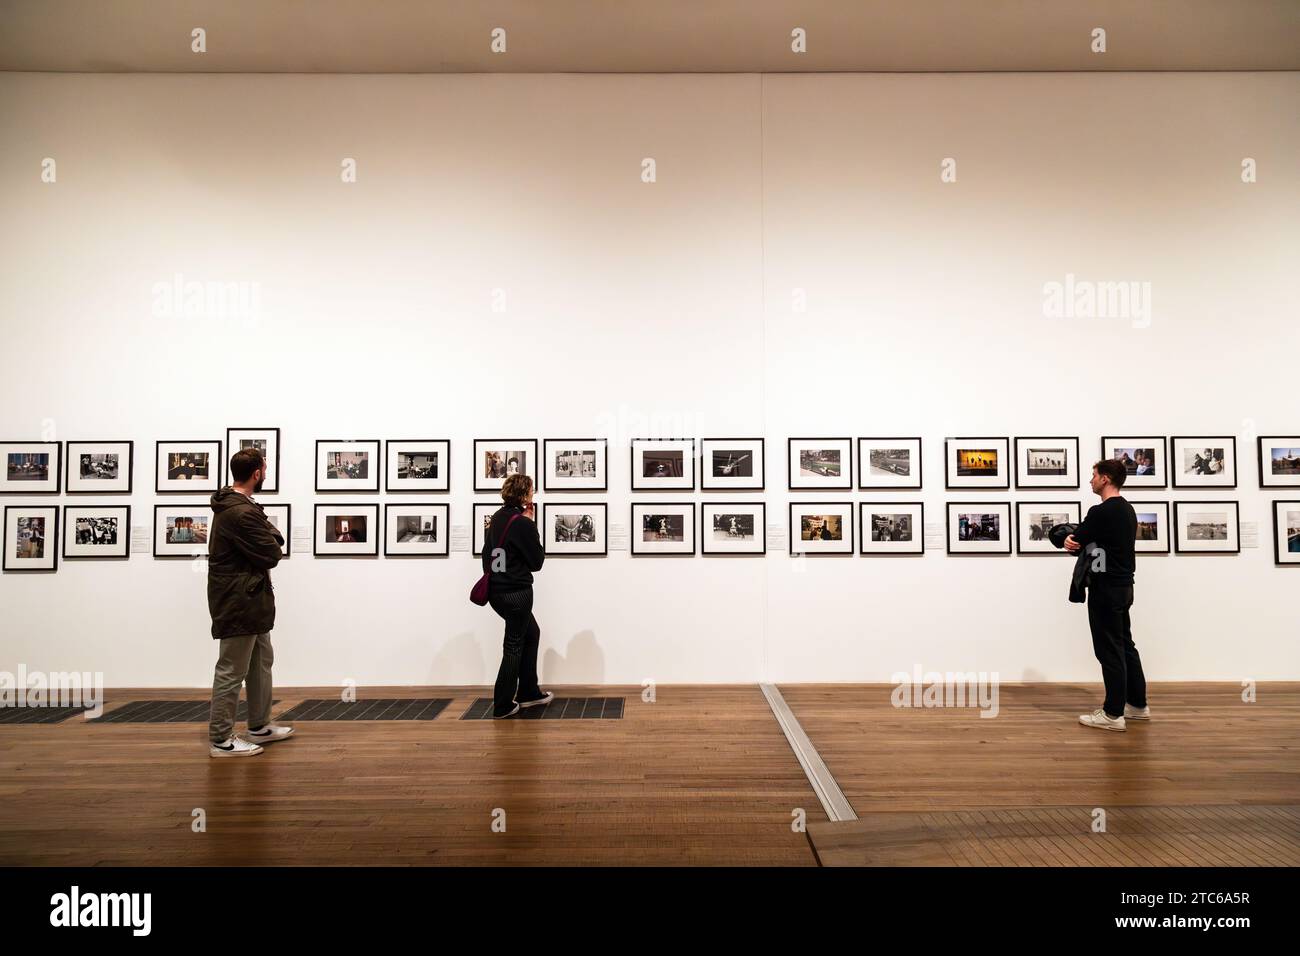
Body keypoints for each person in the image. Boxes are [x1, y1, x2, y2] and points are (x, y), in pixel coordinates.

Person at [206, 448, 292, 756]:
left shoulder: (241, 505)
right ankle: (221, 739)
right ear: (257, 473)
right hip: (239, 599)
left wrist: (269, 535)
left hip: (251, 597)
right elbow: (272, 552)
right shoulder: (241, 511)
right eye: (265, 469)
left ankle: (259, 725)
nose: (265, 474)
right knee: (232, 669)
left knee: (260, 662)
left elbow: (271, 541)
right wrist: (271, 536)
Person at [1065, 459, 1149, 732]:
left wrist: (1067, 540)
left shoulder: (1101, 511)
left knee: (1108, 649)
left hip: (1105, 588)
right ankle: (1137, 705)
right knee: (1125, 645)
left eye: (1094, 475)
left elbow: (1077, 540)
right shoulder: (1127, 510)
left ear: (1106, 479)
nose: (1090, 480)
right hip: (1125, 587)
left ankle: (1113, 713)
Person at [483, 473, 550, 718]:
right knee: (513, 645)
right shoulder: (522, 522)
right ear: (524, 494)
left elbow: (486, 555)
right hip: (517, 592)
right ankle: (502, 704)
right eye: (531, 490)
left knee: (531, 633)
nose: (533, 494)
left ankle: (529, 692)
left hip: (496, 592)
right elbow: (536, 562)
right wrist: (531, 522)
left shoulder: (496, 518)